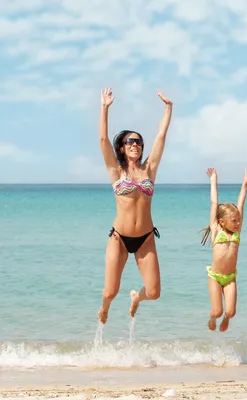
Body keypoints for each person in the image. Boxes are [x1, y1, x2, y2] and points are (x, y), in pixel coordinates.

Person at [97, 87, 173, 324]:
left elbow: (160, 138)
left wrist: (168, 108)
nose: (135, 145)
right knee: (110, 291)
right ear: (122, 146)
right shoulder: (116, 170)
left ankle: (135, 298)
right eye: (130, 141)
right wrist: (104, 108)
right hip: (119, 238)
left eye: (139, 142)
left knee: (153, 293)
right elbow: (102, 140)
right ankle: (105, 306)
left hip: (145, 238)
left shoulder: (149, 169)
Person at [200, 167, 247, 332]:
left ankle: (226, 319)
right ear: (221, 221)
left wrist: (245, 183)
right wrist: (213, 181)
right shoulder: (216, 231)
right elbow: (214, 202)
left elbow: (241, 203)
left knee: (230, 312)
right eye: (234, 221)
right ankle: (212, 317)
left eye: (238, 220)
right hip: (215, 276)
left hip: (230, 278)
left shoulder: (237, 232)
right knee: (217, 311)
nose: (237, 223)